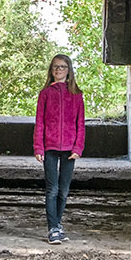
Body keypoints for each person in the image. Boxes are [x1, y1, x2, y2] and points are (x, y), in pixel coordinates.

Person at [33, 53, 86, 245]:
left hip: (70, 149)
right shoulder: (45, 94)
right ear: (51, 70)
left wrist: (78, 147)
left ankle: (57, 224)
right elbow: (40, 122)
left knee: (64, 190)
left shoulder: (77, 95)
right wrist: (38, 147)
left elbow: (81, 124)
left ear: (69, 70)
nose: (58, 70)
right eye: (55, 67)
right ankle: (52, 228)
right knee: (52, 189)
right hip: (49, 147)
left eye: (62, 67)